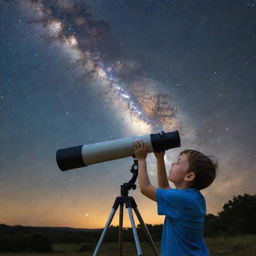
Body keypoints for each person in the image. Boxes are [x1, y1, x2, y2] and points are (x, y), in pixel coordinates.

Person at [132, 139, 218, 256]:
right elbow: (165, 188)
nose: (173, 163)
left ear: (189, 176)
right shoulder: (194, 198)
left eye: (178, 162)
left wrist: (141, 159)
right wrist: (160, 159)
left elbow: (145, 188)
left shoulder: (182, 200)